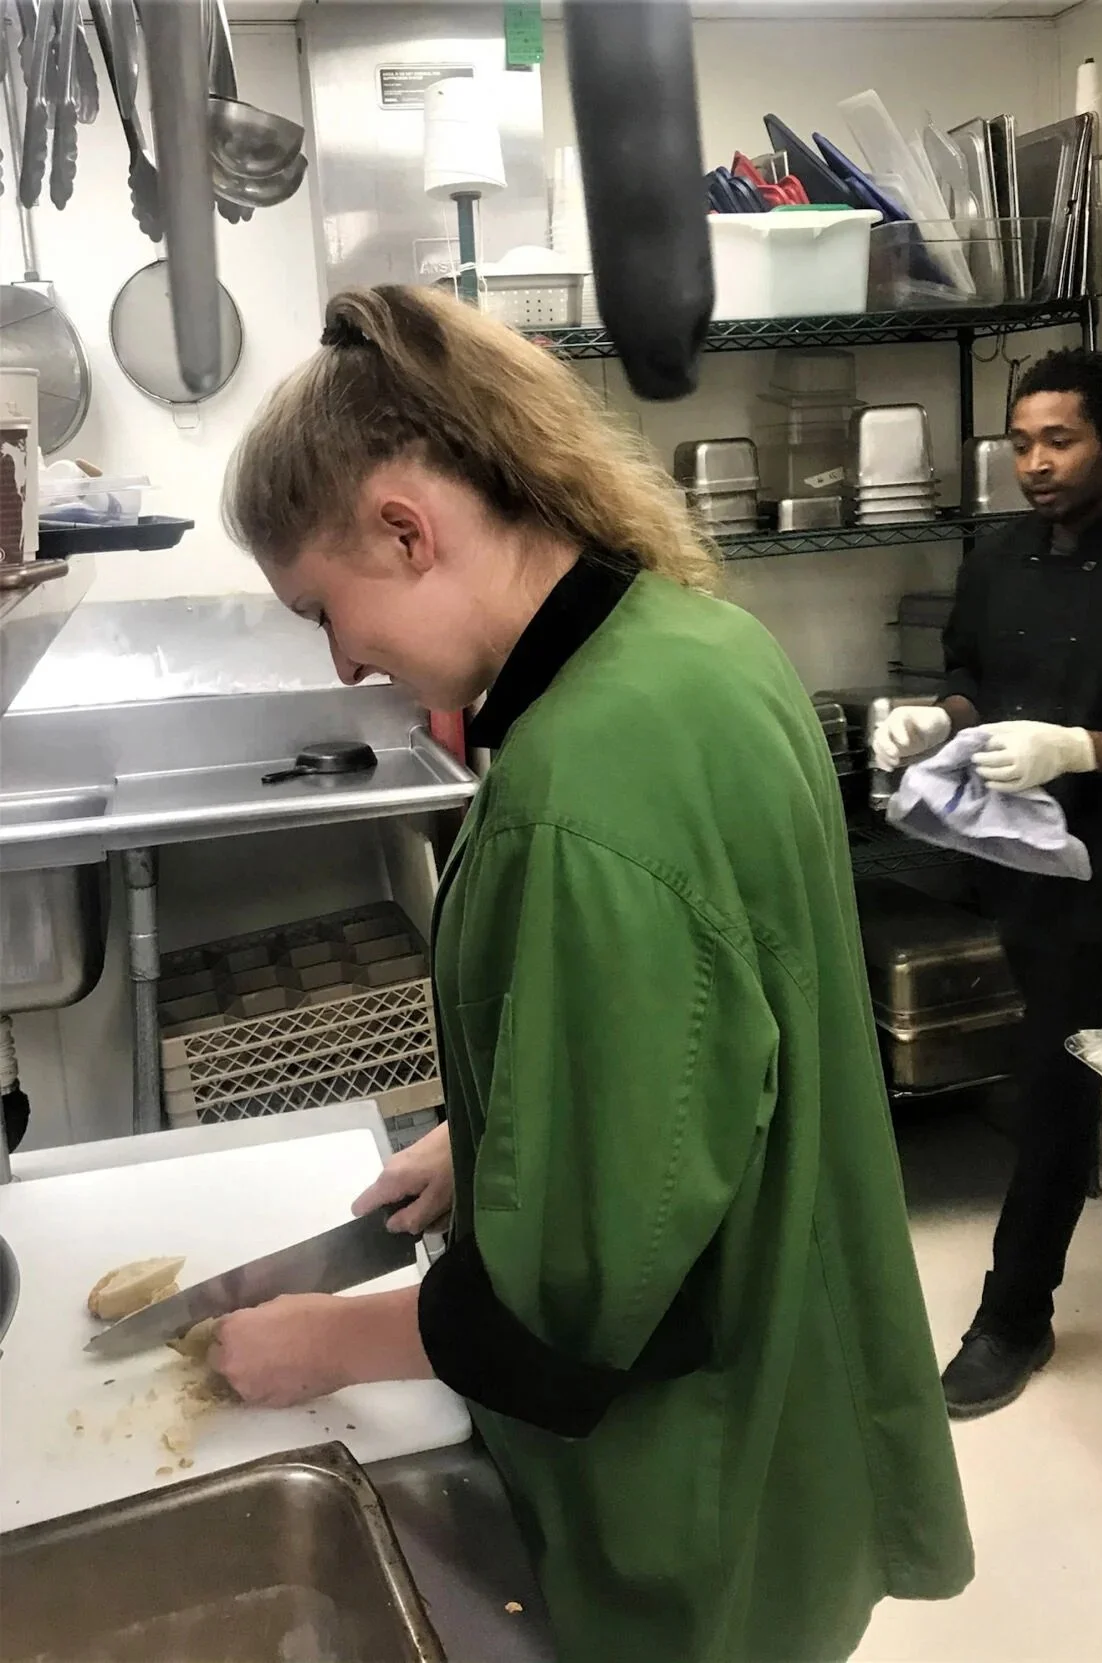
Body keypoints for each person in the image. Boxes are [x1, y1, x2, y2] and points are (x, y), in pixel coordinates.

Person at [211, 285, 973, 1663]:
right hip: (798, 1368)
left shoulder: (583, 789)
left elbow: (577, 1295)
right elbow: (710, 1028)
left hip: (689, 1460)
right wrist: (492, 1125)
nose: (345, 659)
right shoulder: (692, 645)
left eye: (325, 608)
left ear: (404, 525)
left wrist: (325, 1339)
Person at [874, 348, 1102, 1420]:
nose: (1033, 463)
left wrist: (1078, 748)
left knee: (1054, 1064)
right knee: (1063, 1056)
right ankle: (1087, 1179)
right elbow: (969, 677)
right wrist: (932, 719)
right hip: (1013, 859)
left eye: (1059, 439)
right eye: (1021, 441)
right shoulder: (996, 560)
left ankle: (1012, 1315)